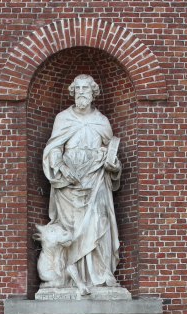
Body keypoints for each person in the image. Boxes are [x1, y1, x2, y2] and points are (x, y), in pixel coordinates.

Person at [41, 74, 122, 295]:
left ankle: (101, 274)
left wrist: (113, 164)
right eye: (78, 89)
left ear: (93, 92)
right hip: (69, 184)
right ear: (73, 92)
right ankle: (70, 277)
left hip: (96, 180)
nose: (82, 93)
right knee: (71, 230)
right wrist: (61, 168)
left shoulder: (102, 121)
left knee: (100, 222)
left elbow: (112, 155)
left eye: (86, 89)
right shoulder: (63, 118)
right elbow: (53, 149)